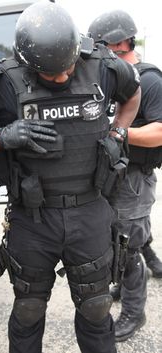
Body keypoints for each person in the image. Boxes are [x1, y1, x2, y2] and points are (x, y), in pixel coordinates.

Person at [0, 2, 141, 353]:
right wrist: (2, 137)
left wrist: (119, 133)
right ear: (27, 63)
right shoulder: (0, 81)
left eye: (68, 67)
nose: (63, 78)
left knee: (96, 308)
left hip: (91, 209)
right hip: (33, 219)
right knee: (29, 309)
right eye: (51, 74)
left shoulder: (104, 66)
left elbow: (133, 93)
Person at [88, 9, 162, 342]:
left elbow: (160, 131)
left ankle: (135, 313)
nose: (97, 52)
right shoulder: (110, 78)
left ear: (120, 42)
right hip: (111, 178)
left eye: (102, 45)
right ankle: (132, 277)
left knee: (129, 249)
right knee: (118, 242)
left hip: (133, 179)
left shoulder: (148, 79)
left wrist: (119, 134)